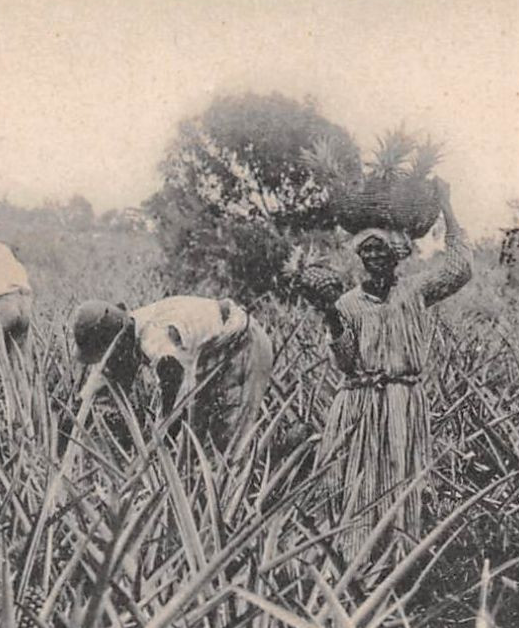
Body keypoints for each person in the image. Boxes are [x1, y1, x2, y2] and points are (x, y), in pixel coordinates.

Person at [300, 178, 472, 559]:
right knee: (352, 482)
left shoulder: (415, 292)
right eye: (368, 251)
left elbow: (459, 268)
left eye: (383, 251)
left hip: (402, 401)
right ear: (361, 256)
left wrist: (447, 205)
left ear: (398, 255)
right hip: (359, 404)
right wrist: (331, 318)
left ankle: (398, 564)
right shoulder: (346, 304)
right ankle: (350, 562)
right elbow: (345, 362)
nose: (375, 258)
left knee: (400, 479)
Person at [71, 294, 274, 452]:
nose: (109, 361)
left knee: (226, 444)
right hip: (204, 353)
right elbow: (97, 391)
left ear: (118, 343)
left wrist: (163, 437)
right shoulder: (128, 328)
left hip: (241, 343)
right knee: (193, 445)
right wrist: (71, 427)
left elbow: (173, 378)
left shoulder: (154, 336)